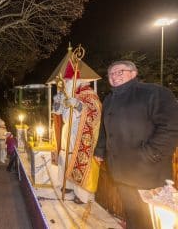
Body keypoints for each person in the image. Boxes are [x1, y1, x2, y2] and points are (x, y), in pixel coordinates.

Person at [94, 60, 178, 229]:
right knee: (132, 211)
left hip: (147, 170)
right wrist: (100, 150)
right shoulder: (110, 99)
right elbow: (105, 129)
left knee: (150, 215)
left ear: (133, 73)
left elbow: (171, 127)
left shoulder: (153, 93)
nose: (114, 76)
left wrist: (150, 154)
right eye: (111, 74)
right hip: (121, 169)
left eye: (120, 72)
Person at [52, 61, 101, 204]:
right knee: (65, 157)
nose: (66, 82)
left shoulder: (89, 94)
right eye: (65, 80)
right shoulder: (66, 94)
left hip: (81, 134)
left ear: (77, 80)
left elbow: (95, 112)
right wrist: (58, 100)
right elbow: (57, 112)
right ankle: (67, 185)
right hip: (68, 131)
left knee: (77, 160)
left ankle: (81, 195)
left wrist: (78, 105)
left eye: (69, 80)